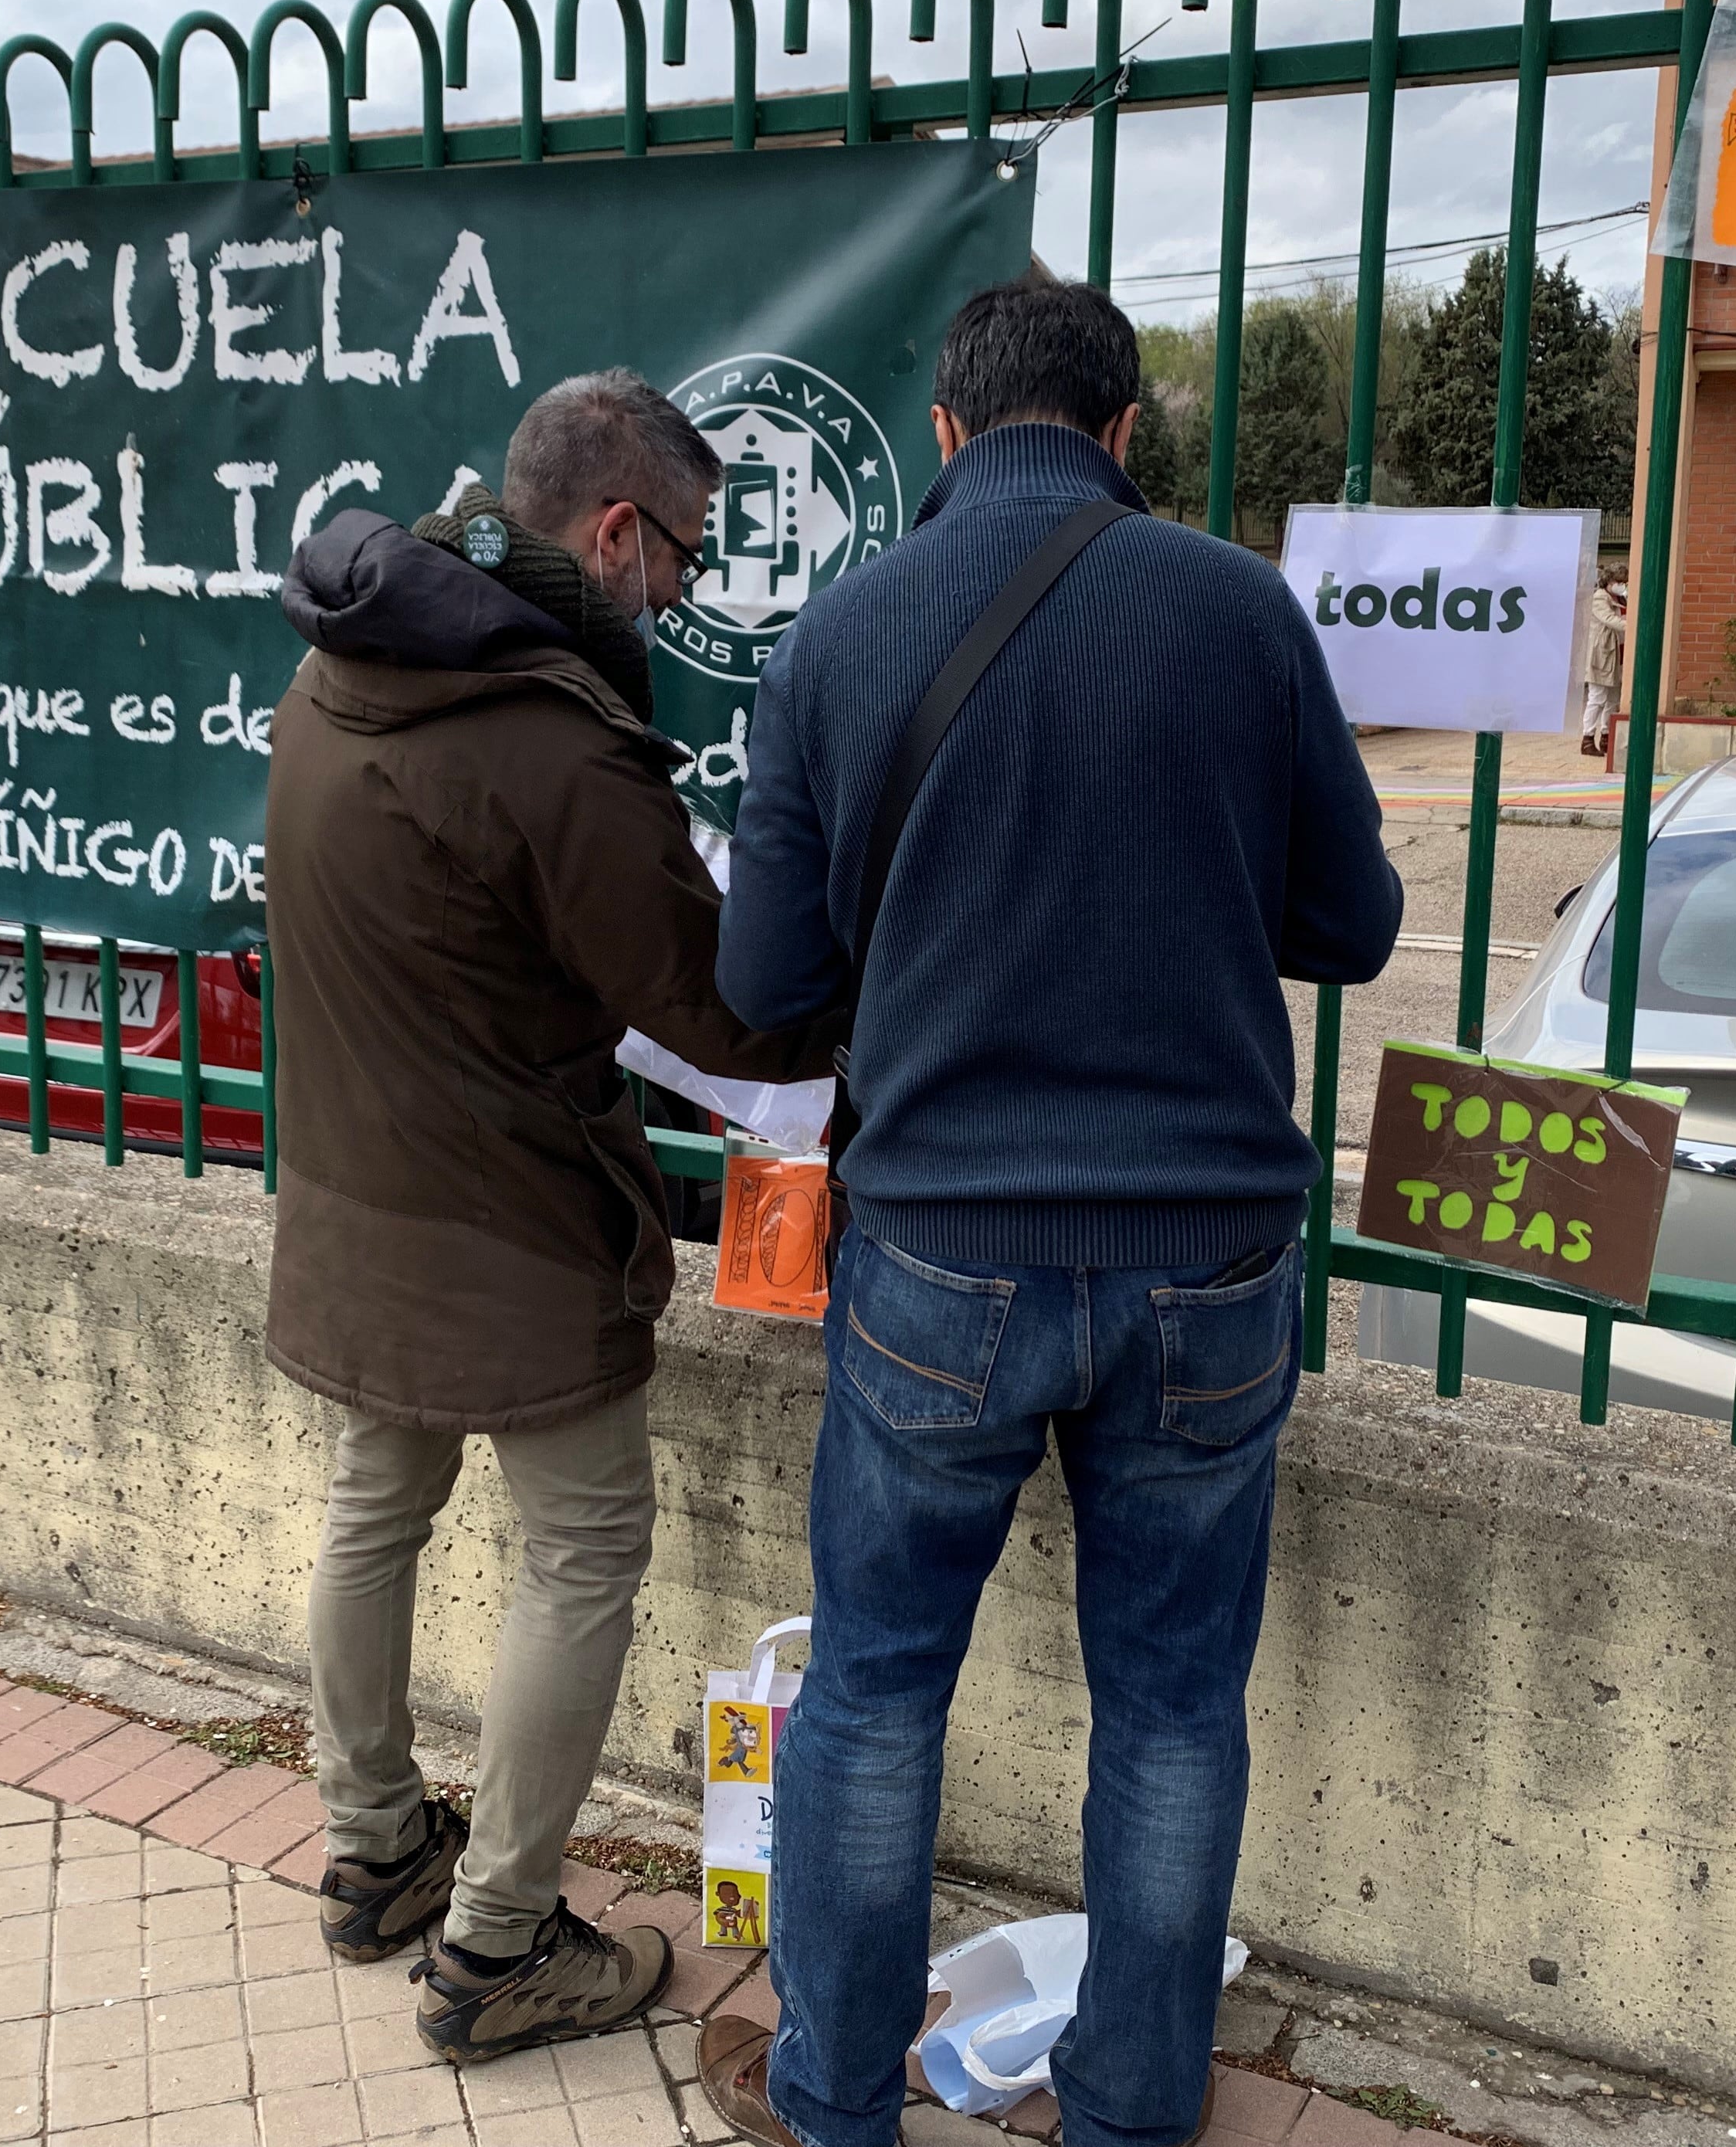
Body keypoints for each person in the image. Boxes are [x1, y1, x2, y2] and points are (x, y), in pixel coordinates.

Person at [699, 279, 1404, 2147]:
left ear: (944, 435)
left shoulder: (841, 638)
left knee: (870, 1696)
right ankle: (1129, 2112)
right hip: (1211, 1255)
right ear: (1120, 431)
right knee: (1173, 1706)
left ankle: (836, 2103)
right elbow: (1356, 926)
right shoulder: (1239, 611)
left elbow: (764, 975)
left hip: (941, 1249)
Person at [265, 369, 843, 2066]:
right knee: (583, 1549)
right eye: (686, 554)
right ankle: (499, 1944)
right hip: (512, 1220)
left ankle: (374, 1848)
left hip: (356, 1194)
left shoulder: (336, 676)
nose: (687, 589)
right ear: (611, 532)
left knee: (376, 1500)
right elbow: (720, 1012)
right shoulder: (551, 743)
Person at [1581, 572, 1629, 758]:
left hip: (1617, 655)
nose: (1621, 585)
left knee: (1613, 700)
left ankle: (1606, 736)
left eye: (1624, 581)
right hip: (1601, 655)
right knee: (1597, 698)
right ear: (1608, 582)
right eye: (1618, 581)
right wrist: (1634, 623)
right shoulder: (1600, 598)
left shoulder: (1620, 598)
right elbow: (1610, 620)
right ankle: (1587, 738)